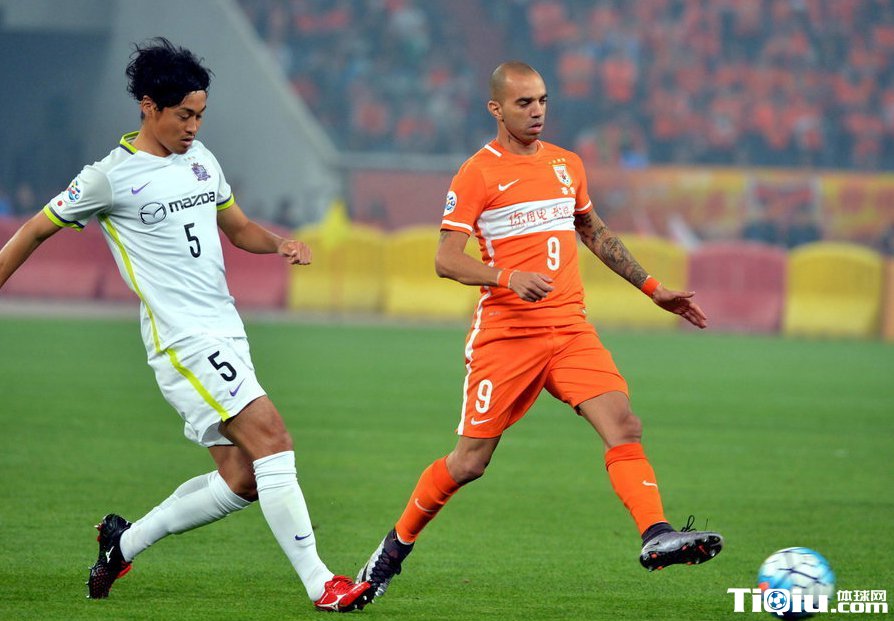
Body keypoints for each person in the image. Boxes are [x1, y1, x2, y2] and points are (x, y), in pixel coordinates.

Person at [0, 38, 371, 613]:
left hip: (227, 330)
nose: (193, 126)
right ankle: (322, 584)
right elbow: (33, 231)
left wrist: (280, 244)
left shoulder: (202, 160)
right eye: (183, 115)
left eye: (200, 115)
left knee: (243, 478)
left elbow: (238, 228)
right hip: (182, 341)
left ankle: (122, 544)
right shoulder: (108, 178)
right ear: (148, 107)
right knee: (273, 439)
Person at [356, 62, 724, 602]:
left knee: (624, 424)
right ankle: (392, 550)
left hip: (570, 329)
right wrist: (507, 276)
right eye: (524, 102)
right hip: (507, 337)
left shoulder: (566, 164)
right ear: (496, 108)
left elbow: (593, 231)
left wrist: (652, 288)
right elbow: (445, 259)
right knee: (469, 462)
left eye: (543, 101)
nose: (537, 112)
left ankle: (656, 534)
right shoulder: (477, 173)